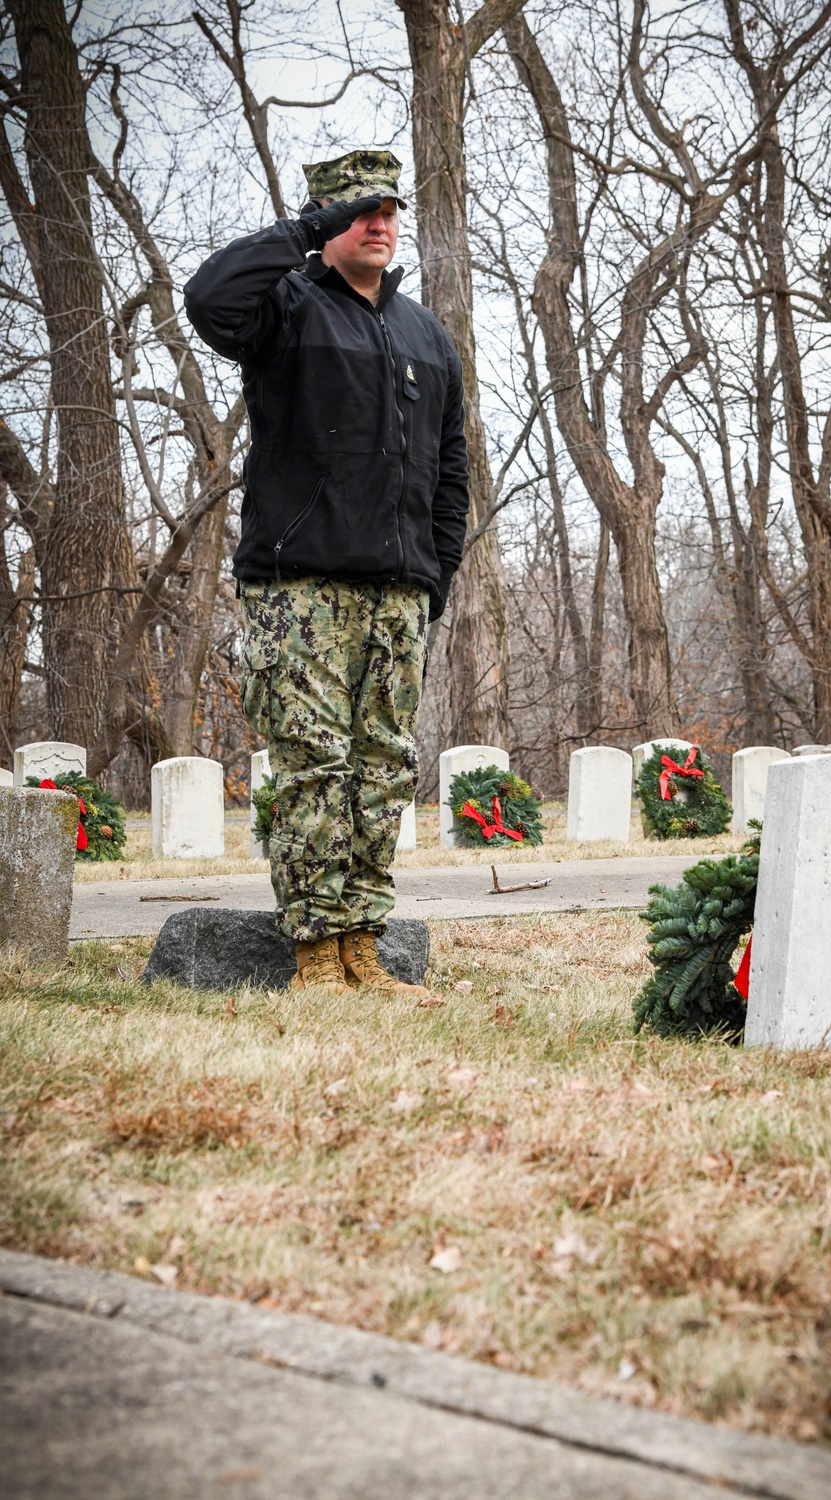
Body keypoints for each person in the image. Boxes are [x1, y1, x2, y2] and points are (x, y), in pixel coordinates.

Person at [184, 149, 469, 999]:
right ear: (324, 218)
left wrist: (435, 577)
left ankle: (363, 953)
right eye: (360, 210)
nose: (379, 224)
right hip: (298, 587)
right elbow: (207, 298)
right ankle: (314, 956)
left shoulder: (425, 332)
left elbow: (450, 468)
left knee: (382, 765)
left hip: (398, 592)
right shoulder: (284, 306)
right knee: (314, 762)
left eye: (390, 210)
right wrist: (307, 234)